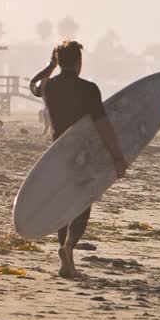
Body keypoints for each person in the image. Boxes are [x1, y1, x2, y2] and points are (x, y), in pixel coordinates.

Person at [29, 40, 128, 279]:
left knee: (63, 203)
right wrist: (117, 157)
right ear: (78, 62)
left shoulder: (49, 87)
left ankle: (65, 253)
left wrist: (50, 66)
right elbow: (103, 125)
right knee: (83, 204)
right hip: (83, 156)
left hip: (57, 154)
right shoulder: (89, 89)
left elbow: (33, 84)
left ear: (59, 62)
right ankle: (70, 248)